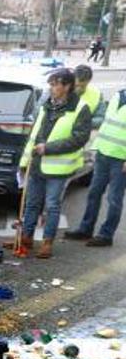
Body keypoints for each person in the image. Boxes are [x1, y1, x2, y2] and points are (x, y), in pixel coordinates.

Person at [0, 68, 91, 259]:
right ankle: (26, 237)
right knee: (32, 204)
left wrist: (48, 148)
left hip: (58, 168)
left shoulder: (80, 108)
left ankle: (47, 242)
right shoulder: (46, 105)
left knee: (52, 206)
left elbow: (79, 138)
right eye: (50, 84)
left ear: (67, 86)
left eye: (55, 84)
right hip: (37, 164)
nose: (51, 88)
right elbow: (34, 136)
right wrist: (24, 163)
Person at [65, 82, 126, 246]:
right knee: (93, 193)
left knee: (114, 199)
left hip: (121, 159)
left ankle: (106, 235)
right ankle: (85, 229)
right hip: (103, 152)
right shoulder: (118, 95)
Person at [74, 64, 106, 129]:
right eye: (76, 86)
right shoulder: (62, 90)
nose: (78, 89)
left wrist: (83, 124)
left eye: (82, 86)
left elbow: (101, 118)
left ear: (89, 81)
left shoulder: (96, 94)